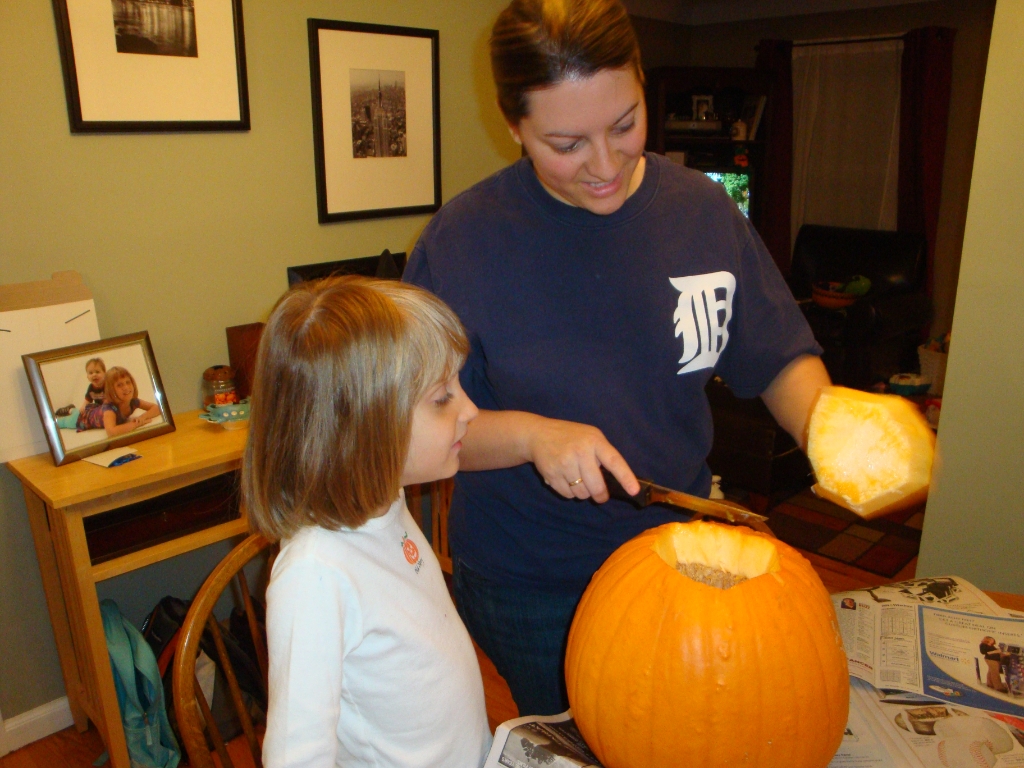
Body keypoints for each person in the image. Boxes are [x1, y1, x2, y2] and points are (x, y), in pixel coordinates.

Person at [403, 0, 830, 716]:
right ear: (514, 127)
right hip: (532, 582)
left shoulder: (702, 211)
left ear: (639, 82)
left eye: (625, 124)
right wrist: (536, 436)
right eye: (567, 143)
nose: (605, 166)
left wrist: (836, 432)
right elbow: (412, 431)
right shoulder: (462, 242)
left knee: (687, 730)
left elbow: (779, 356)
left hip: (680, 554)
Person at [243, 276, 491, 768]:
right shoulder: (316, 575)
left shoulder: (387, 503)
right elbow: (297, 759)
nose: (470, 409)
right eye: (442, 397)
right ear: (362, 424)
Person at [100, 366, 161, 437]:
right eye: (119, 385)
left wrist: (142, 417)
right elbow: (111, 432)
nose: (126, 387)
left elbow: (157, 408)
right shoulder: (109, 408)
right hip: (88, 417)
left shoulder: (133, 402)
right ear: (111, 390)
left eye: (128, 382)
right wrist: (136, 424)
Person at [53, 357, 107, 430]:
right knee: (83, 412)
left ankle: (71, 410)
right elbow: (87, 399)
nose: (94, 375)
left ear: (105, 373)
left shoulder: (107, 385)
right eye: (90, 373)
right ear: (87, 377)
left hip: (103, 408)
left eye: (97, 372)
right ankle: (71, 410)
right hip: (97, 408)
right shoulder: (91, 387)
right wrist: (83, 406)